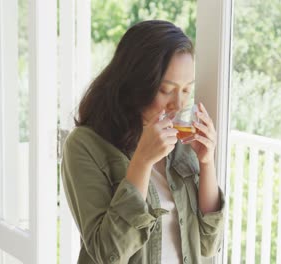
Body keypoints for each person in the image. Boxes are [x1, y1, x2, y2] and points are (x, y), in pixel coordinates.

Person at [61, 20, 224, 264]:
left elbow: (208, 243)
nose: (178, 105)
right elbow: (108, 254)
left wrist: (207, 162)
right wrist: (143, 161)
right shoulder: (85, 145)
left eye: (186, 90)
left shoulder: (179, 141)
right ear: (134, 84)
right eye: (166, 90)